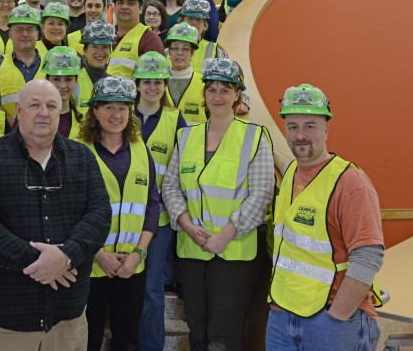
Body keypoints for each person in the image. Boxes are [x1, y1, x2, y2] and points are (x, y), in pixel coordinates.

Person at [0, 79, 112, 351]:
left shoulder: (82, 158)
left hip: (67, 317)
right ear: (18, 110)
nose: (44, 112)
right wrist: (41, 262)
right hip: (4, 317)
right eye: (35, 105)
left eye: (52, 106)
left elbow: (99, 214)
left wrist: (66, 256)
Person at [163, 58, 275, 351]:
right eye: (211, 89)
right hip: (193, 249)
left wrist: (225, 234)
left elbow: (262, 193)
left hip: (234, 253)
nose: (217, 96)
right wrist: (186, 225)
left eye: (225, 90)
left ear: (238, 94)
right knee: (197, 328)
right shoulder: (186, 135)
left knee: (224, 333)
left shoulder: (255, 136)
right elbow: (171, 186)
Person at [266, 84, 384, 350]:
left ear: (326, 129)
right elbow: (290, 162)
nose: (300, 135)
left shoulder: (350, 182)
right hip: (282, 315)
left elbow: (368, 256)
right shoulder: (292, 173)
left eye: (310, 126)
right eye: (293, 126)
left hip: (331, 321)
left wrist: (337, 317)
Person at [76, 76, 160, 351]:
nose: (116, 114)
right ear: (95, 111)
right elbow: (71, 210)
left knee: (127, 339)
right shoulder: (78, 151)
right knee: (88, 338)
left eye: (123, 107)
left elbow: (151, 205)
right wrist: (98, 253)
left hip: (131, 266)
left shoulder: (140, 149)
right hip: (91, 265)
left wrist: (139, 254)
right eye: (109, 107)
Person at [132, 52, 187, 351]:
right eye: (147, 81)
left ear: (165, 85)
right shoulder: (121, 114)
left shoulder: (175, 118)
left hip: (161, 220)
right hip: (124, 219)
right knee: (125, 286)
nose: (152, 86)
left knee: (152, 289)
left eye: (158, 81)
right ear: (137, 84)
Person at [0, 5, 45, 122]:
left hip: (45, 134)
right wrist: (14, 127)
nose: (24, 34)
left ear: (38, 34)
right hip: (7, 135)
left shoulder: (50, 64)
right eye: (18, 29)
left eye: (30, 29)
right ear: (10, 34)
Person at [106, 0, 165, 77]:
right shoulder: (105, 36)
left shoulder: (149, 39)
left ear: (141, 8)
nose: (125, 7)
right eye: (120, 2)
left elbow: (153, 85)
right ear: (114, 7)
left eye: (131, 3)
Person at [164, 22, 204, 124]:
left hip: (195, 139)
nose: (180, 53)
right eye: (175, 48)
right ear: (169, 52)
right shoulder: (158, 82)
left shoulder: (204, 83)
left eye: (185, 49)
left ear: (192, 53)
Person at [42, 46, 84, 138]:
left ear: (76, 81)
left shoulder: (85, 121)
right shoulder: (32, 117)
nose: (62, 85)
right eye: (56, 79)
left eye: (68, 79)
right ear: (47, 80)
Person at [77, 20, 116, 110]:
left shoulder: (115, 84)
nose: (100, 52)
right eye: (95, 46)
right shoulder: (74, 81)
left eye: (105, 47)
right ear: (85, 50)